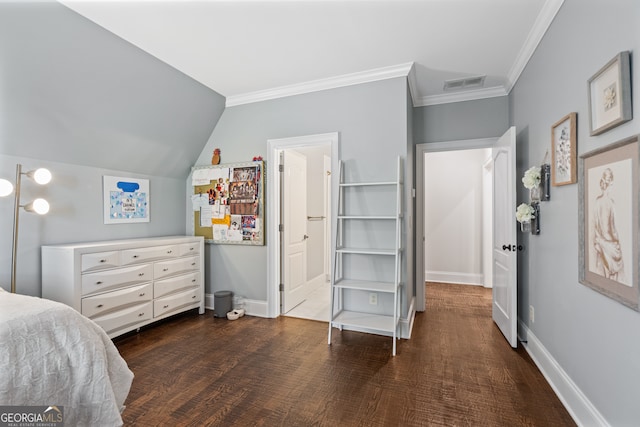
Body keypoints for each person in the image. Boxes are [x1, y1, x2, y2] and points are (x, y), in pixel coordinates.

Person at [592, 168, 625, 283]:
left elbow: (596, 226)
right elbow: (614, 229)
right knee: (613, 280)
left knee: (604, 278)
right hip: (610, 244)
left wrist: (599, 241)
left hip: (601, 243)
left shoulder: (597, 201)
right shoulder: (611, 203)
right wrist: (618, 242)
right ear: (610, 183)